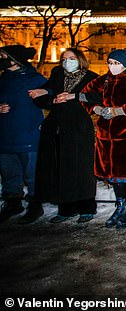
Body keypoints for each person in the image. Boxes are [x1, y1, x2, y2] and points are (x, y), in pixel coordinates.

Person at [80, 49, 126, 229]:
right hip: (107, 135)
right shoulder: (104, 80)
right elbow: (84, 94)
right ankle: (120, 205)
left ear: (125, 64)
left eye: (116, 63)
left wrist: (117, 111)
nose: (112, 66)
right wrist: (96, 109)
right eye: (110, 62)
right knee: (114, 174)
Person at [29, 48, 99, 223]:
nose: (67, 62)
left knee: (82, 167)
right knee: (60, 167)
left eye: (71, 58)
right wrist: (51, 99)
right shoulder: (58, 75)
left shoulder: (91, 77)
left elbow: (98, 97)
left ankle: (86, 206)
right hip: (57, 127)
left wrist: (74, 97)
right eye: (64, 58)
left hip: (79, 127)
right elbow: (40, 95)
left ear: (80, 60)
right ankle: (66, 207)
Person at [0, 45, 47, 224]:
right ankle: (13, 201)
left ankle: (35, 203)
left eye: (3, 56)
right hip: (5, 135)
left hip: (28, 134)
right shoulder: (3, 79)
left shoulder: (34, 78)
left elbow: (51, 94)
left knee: (32, 172)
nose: (1, 58)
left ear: (15, 60)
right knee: (9, 173)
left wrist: (44, 92)